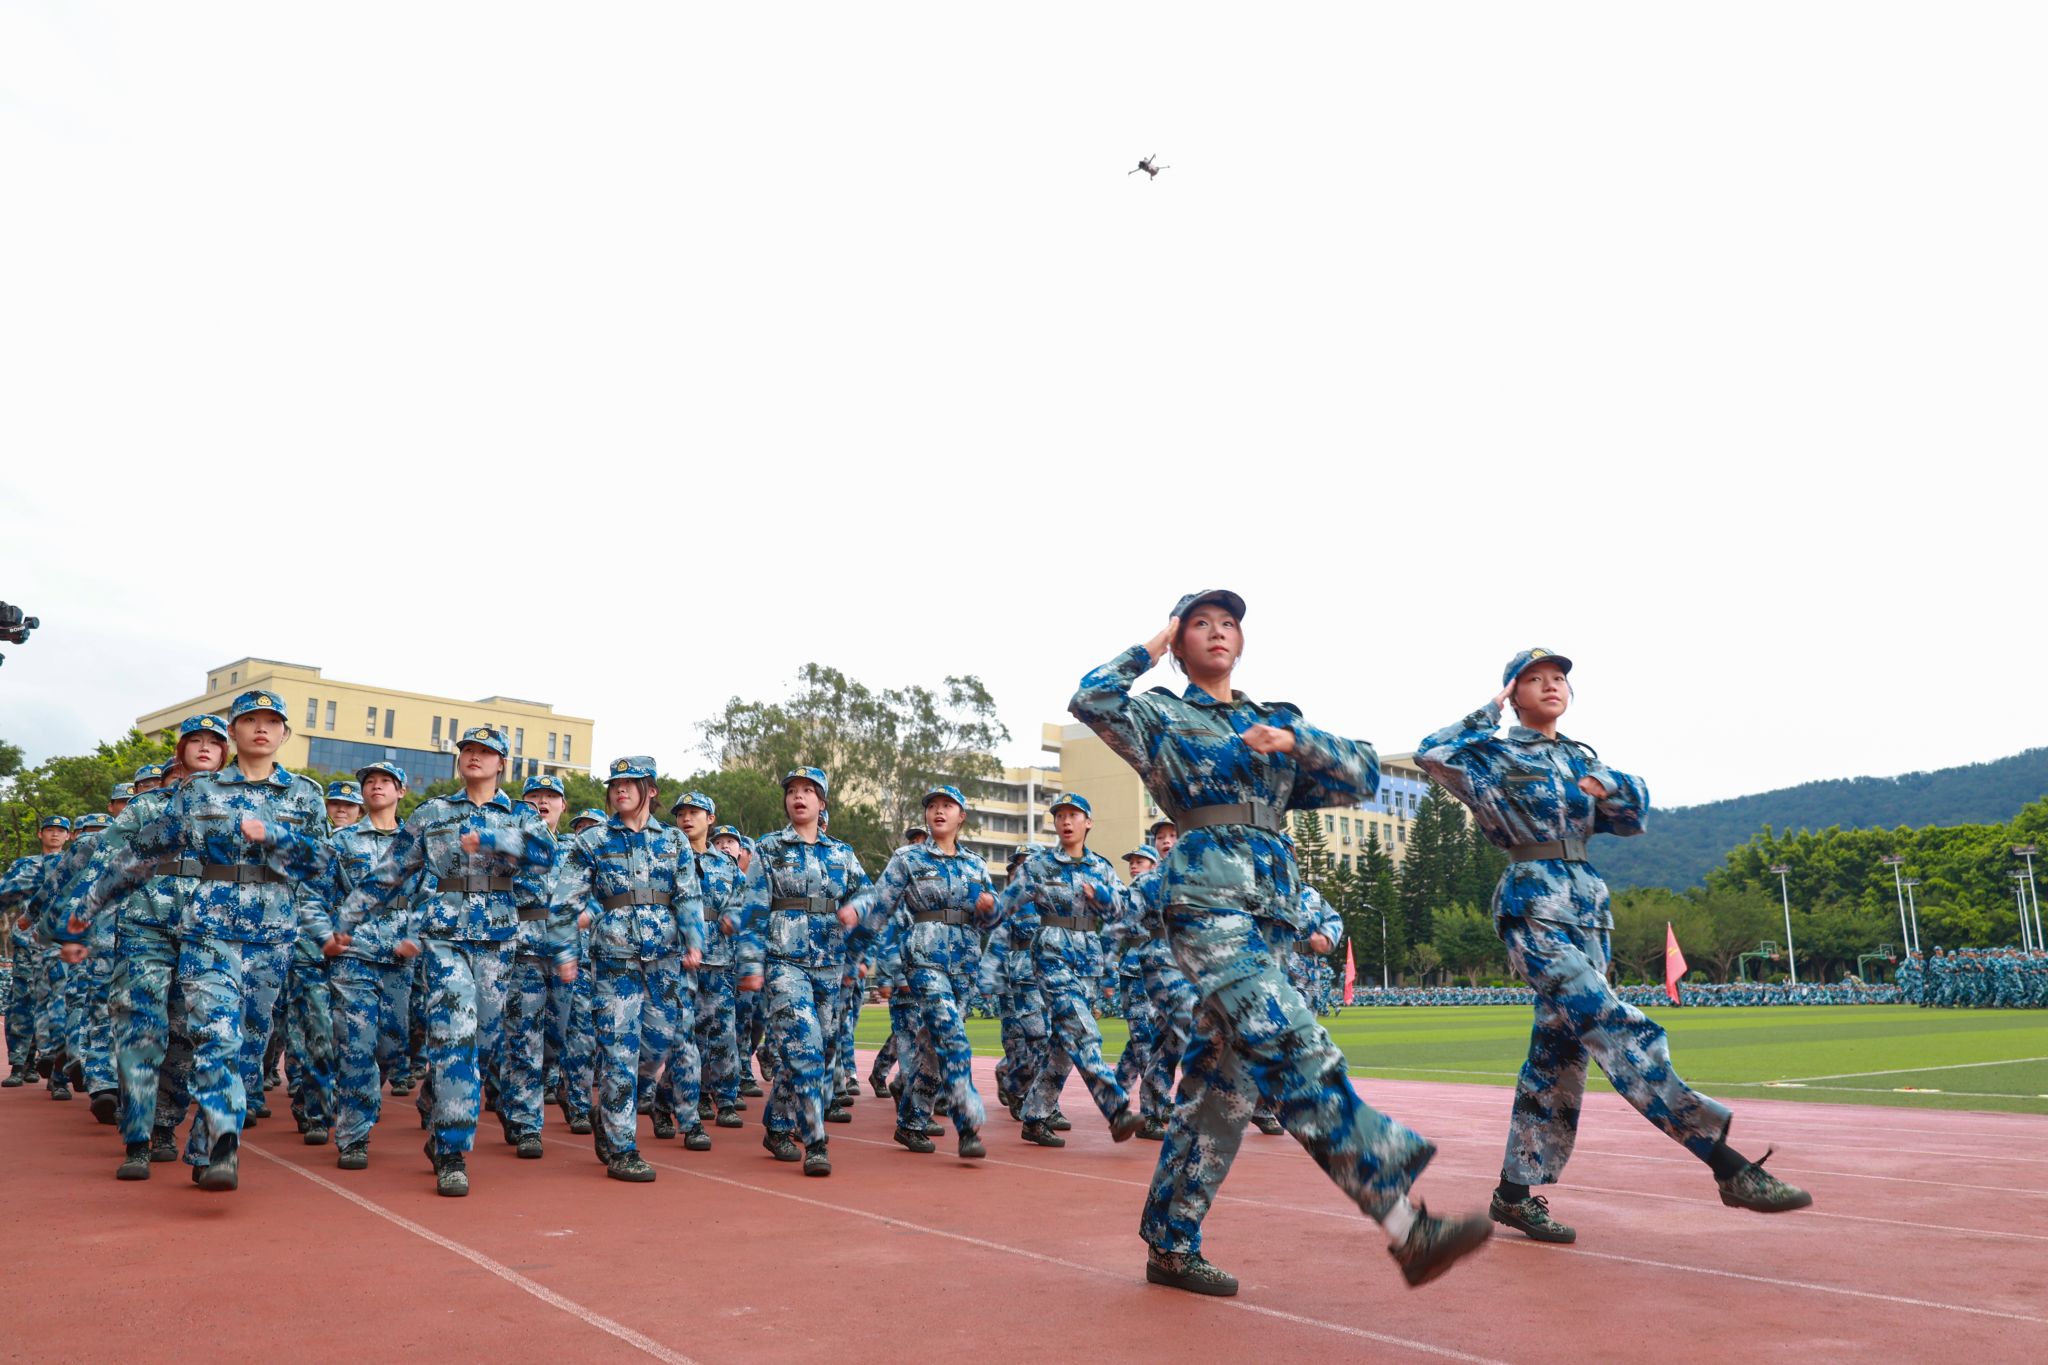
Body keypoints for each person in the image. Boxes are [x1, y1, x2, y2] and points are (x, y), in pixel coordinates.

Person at [1071, 590, 1490, 1296]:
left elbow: (1363, 772)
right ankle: (1405, 1226)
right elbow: (1092, 697)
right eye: (1199, 623)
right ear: (1179, 641)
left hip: (1270, 912)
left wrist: (1296, 743)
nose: (1216, 632)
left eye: (1228, 623)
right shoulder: (1160, 716)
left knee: (1222, 1090)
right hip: (1205, 901)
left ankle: (1170, 1244)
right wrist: (1154, 642)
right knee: (1294, 1043)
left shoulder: (1273, 720)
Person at [1416, 648, 1813, 1246]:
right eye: (1533, 679)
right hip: (1532, 903)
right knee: (1611, 1022)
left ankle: (1514, 1195)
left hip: (1589, 909)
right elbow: (1431, 753)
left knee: (1558, 1057)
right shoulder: (1493, 756)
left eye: (1559, 678)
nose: (1551, 686)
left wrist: (1614, 784)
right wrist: (1486, 714)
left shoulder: (1581, 757)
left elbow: (1631, 818)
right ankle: (1723, 1161)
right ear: (1512, 695)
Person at [75, 692, 333, 1192]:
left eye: (272, 721)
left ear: (284, 734)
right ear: (234, 732)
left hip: (272, 934)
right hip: (206, 928)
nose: (261, 728)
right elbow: (140, 849)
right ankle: (216, 1146)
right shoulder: (198, 791)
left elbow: (321, 864)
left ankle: (201, 1143)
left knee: (249, 1044)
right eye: (250, 720)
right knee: (215, 1036)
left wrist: (277, 838)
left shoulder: (305, 795)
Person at [332, 725, 555, 1196]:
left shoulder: (519, 813)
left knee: (484, 1045)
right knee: (455, 1038)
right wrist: (347, 919)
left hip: (497, 938)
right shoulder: (432, 813)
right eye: (467, 750)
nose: (474, 756)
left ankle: (439, 1106)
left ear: (501, 764)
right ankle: (452, 1152)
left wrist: (494, 840)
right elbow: (390, 870)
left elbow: (544, 855)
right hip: (445, 937)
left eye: (485, 752)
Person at [552, 758, 705, 1181]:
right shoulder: (593, 840)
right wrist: (565, 953)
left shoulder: (673, 840)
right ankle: (623, 1148)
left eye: (630, 783)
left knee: (657, 1047)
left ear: (650, 790)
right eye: (615, 784)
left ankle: (607, 1109)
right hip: (614, 960)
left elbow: (688, 896)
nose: (620, 789)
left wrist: (695, 940)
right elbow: (564, 902)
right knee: (619, 1051)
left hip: (664, 959)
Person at [737, 767, 872, 1176]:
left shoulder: (841, 853)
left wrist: (856, 909)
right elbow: (753, 910)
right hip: (784, 963)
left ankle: (778, 1125)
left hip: (829, 964)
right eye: (792, 791)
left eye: (808, 791)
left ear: (822, 802)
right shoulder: (769, 848)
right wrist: (751, 965)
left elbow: (870, 893)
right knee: (806, 1048)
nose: (799, 796)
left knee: (818, 1049)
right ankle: (815, 1140)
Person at [1000, 794, 1141, 1149]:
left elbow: (1125, 912)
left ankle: (1035, 1115)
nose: (1066, 821)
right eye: (1060, 815)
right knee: (1082, 1028)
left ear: (1087, 822)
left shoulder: (1101, 867)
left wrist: (1105, 899)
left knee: (1063, 1044)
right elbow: (1005, 905)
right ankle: (1115, 1107)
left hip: (1088, 957)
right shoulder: (1040, 866)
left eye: (1073, 815)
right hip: (1051, 951)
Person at [865, 784, 999, 1158]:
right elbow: (878, 909)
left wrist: (990, 908)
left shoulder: (976, 864)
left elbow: (992, 918)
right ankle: (968, 1124)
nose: (939, 811)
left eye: (947, 805)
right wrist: (864, 954)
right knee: (953, 1037)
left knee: (933, 1047)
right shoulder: (907, 859)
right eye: (933, 806)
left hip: (965, 965)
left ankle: (911, 1122)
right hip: (924, 959)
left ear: (961, 816)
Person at [322, 760, 424, 1171]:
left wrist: (416, 937)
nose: (376, 787)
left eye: (385, 781)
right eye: (369, 782)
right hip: (354, 952)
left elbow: (431, 893)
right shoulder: (342, 841)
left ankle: (362, 1097)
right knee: (356, 1043)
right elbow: (319, 890)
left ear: (401, 791)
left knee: (391, 1046)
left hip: (399, 955)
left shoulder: (417, 842)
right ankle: (354, 1134)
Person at [492, 774, 580, 1159]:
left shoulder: (576, 848)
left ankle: (515, 1097)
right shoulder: (511, 844)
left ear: (563, 805)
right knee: (524, 1037)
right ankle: (527, 1122)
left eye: (551, 796)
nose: (543, 802)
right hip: (523, 948)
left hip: (564, 953)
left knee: (556, 1040)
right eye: (534, 797)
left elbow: (597, 889)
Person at [673, 793, 758, 1133]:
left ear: (710, 818)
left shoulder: (726, 865)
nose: (686, 819)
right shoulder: (669, 857)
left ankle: (725, 1099)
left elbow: (743, 900)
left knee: (722, 1034)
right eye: (681, 813)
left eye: (694, 812)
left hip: (719, 960)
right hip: (680, 959)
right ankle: (690, 1100)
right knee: (685, 1037)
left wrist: (733, 917)